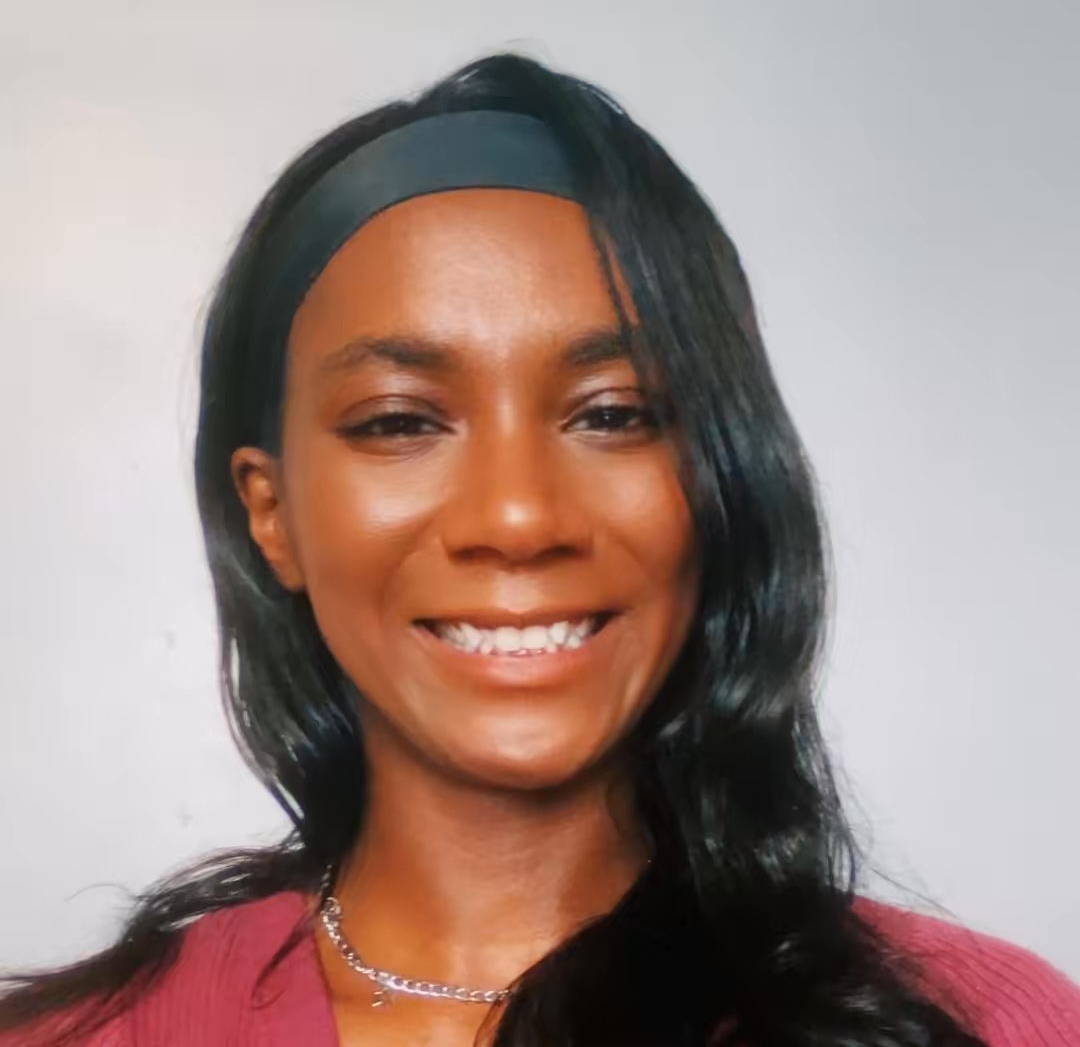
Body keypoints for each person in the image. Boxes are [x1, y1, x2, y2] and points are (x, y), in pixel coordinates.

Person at [1, 54, 1077, 1047]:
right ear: (270, 513)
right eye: (399, 421)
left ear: (719, 482)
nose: (519, 518)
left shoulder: (985, 1026)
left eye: (614, 414)